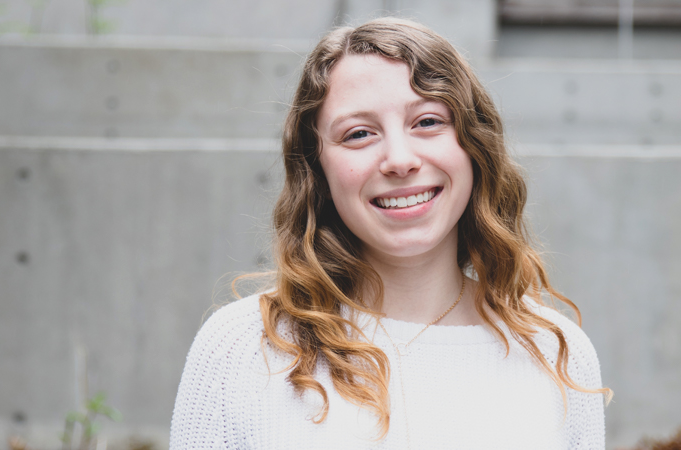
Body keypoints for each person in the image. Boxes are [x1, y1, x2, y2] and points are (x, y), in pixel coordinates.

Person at [170, 17, 610, 449]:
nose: (399, 159)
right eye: (359, 133)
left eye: (428, 122)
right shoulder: (243, 348)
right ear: (317, 169)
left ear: (475, 147)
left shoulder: (556, 353)